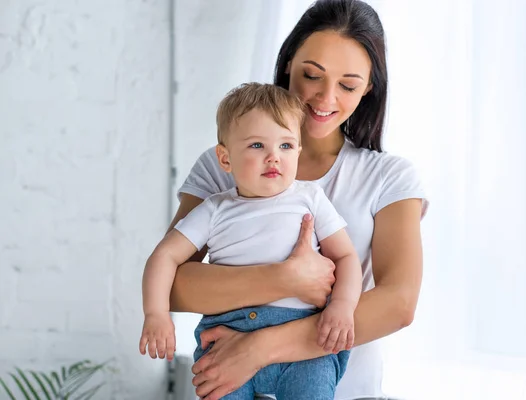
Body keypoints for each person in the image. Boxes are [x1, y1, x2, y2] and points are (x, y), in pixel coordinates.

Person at [169, 0, 429, 399]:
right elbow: (174, 284)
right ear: (288, 63)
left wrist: (259, 349)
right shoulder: (226, 163)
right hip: (233, 386)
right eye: (312, 75)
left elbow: (398, 303)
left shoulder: (388, 178)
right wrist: (286, 278)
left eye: (348, 85)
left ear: (369, 89)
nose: (325, 98)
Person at [139, 83, 363, 399]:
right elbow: (164, 257)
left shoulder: (310, 199)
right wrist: (156, 314)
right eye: (257, 145)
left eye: (286, 145)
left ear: (299, 150)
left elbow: (346, 258)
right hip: (226, 337)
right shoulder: (214, 209)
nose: (274, 157)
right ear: (225, 158)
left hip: (299, 344)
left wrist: (342, 305)